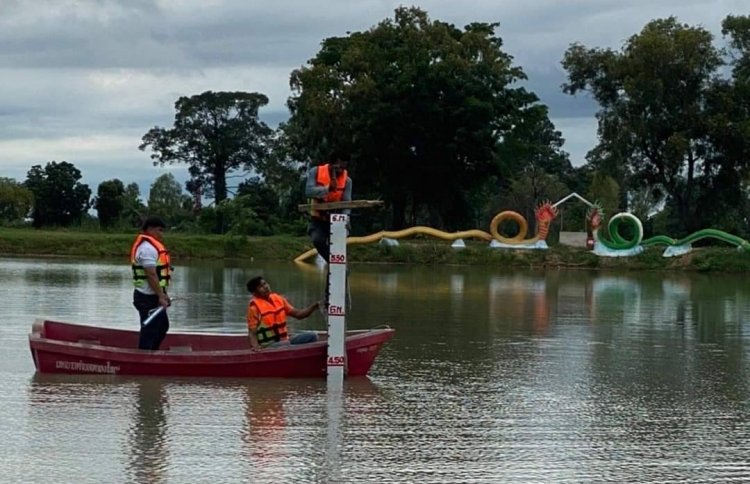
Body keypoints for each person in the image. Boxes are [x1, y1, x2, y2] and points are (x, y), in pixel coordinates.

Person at [131, 216, 173, 350]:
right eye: (159, 230)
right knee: (150, 329)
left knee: (162, 326)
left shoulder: (153, 247)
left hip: (154, 295)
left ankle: (152, 354)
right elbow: (151, 274)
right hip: (146, 297)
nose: (161, 234)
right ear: (149, 229)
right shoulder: (147, 249)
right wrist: (161, 296)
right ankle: (143, 359)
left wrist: (163, 295)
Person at [246, 276, 320, 351]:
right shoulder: (254, 308)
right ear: (254, 293)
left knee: (313, 336)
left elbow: (298, 314)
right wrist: (256, 348)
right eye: (261, 286)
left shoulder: (279, 299)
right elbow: (252, 333)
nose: (265, 287)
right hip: (269, 346)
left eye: (265, 283)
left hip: (285, 341)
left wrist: (314, 306)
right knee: (287, 344)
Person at [304, 150, 352, 262]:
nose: (340, 171)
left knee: (338, 244)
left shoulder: (347, 181)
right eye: (338, 168)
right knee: (317, 240)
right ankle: (331, 262)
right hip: (319, 219)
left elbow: (347, 203)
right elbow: (309, 191)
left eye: (343, 168)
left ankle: (338, 267)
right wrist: (327, 189)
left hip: (337, 219)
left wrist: (346, 219)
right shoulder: (316, 172)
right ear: (331, 164)